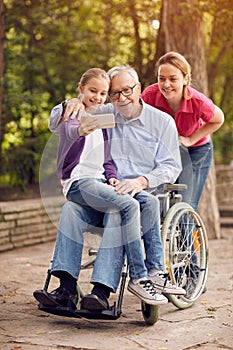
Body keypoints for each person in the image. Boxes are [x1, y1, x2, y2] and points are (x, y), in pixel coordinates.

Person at [35, 65, 185, 313]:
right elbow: (64, 125)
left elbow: (171, 167)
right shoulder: (105, 112)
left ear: (139, 88)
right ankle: (66, 289)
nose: (121, 98)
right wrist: (67, 104)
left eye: (127, 90)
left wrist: (140, 181)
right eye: (114, 93)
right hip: (101, 190)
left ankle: (104, 292)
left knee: (124, 207)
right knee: (72, 209)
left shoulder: (161, 122)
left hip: (138, 194)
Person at [141, 51, 224, 211]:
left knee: (185, 205)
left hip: (196, 151)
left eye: (173, 79)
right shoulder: (149, 96)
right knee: (157, 200)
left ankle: (186, 233)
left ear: (185, 79)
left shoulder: (198, 101)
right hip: (164, 151)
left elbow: (218, 119)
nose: (166, 84)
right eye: (161, 78)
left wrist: (190, 139)